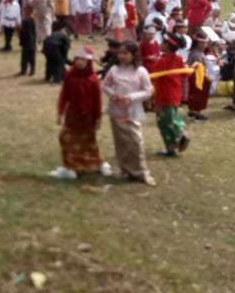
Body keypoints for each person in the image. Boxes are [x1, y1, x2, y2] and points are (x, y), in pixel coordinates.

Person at [101, 41, 155, 186]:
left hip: (132, 111)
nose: (122, 56)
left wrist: (130, 98)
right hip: (116, 110)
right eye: (120, 53)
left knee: (136, 142)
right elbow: (105, 86)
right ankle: (124, 169)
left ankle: (141, 172)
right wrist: (114, 95)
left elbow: (148, 91)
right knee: (121, 142)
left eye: (126, 53)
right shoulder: (114, 70)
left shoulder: (141, 71)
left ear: (134, 54)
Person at [50, 46, 107, 180]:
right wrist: (60, 111)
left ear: (89, 62)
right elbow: (64, 95)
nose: (80, 62)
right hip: (73, 116)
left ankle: (97, 163)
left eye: (83, 60)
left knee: (89, 142)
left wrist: (98, 118)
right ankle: (69, 166)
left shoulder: (93, 79)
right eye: (78, 59)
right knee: (66, 138)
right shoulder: (70, 75)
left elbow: (97, 100)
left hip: (88, 117)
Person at [150, 32, 190, 156]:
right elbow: (185, 74)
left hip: (163, 95)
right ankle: (171, 147)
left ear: (167, 46)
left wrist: (154, 97)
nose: (160, 44)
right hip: (175, 94)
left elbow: (154, 79)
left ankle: (180, 131)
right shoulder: (178, 59)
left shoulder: (160, 62)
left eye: (163, 43)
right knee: (171, 116)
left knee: (164, 121)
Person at [186, 30, 212, 122]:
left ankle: (192, 111)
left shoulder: (197, 52)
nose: (206, 45)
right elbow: (198, 69)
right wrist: (206, 77)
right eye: (205, 43)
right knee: (198, 96)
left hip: (197, 77)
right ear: (199, 43)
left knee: (194, 95)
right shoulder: (196, 54)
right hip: (197, 78)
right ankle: (196, 112)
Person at [42, 20, 71, 84]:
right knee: (59, 63)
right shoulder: (65, 36)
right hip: (53, 48)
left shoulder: (55, 33)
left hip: (45, 47)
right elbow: (65, 49)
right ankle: (57, 80)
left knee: (50, 62)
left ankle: (48, 77)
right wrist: (65, 59)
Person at [17, 4, 37, 76]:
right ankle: (32, 70)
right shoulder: (33, 20)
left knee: (25, 57)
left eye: (25, 11)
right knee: (32, 57)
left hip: (27, 41)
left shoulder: (26, 21)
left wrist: (19, 29)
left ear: (28, 11)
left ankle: (24, 70)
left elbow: (25, 32)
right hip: (32, 40)